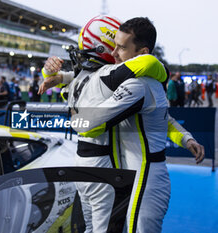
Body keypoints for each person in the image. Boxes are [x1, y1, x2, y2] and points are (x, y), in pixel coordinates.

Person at [40, 16, 204, 233]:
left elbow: (88, 123)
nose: (114, 54)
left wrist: (71, 104)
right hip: (133, 173)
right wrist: (61, 78)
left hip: (145, 178)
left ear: (142, 54)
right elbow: (164, 117)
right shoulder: (138, 79)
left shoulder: (139, 84)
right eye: (114, 46)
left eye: (121, 48)